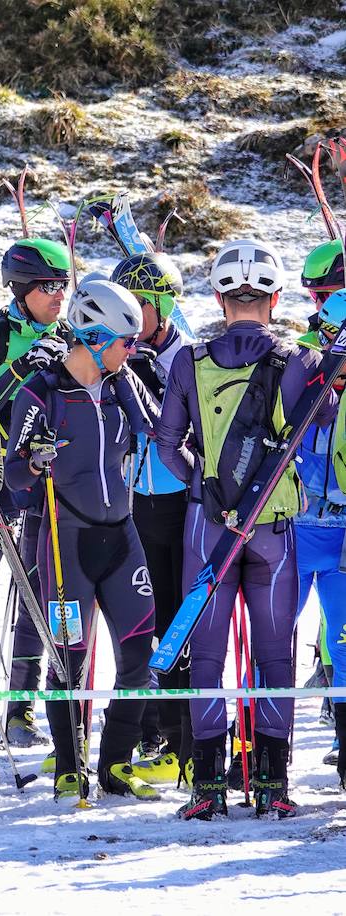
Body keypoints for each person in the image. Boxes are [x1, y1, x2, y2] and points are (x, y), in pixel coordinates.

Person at [157, 239, 336, 820]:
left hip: (207, 527)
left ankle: (207, 787)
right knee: (274, 656)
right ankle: (271, 784)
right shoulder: (304, 361)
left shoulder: (189, 359)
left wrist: (204, 490)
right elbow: (324, 420)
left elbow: (167, 445)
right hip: (275, 525)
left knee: (206, 654)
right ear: (275, 297)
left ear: (218, 296)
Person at [5, 279, 160, 803]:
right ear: (94, 337)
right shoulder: (41, 391)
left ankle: (116, 764)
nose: (132, 351)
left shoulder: (123, 384)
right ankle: (70, 767)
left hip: (121, 536)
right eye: (126, 342)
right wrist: (34, 460)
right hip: (62, 541)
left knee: (140, 653)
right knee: (68, 658)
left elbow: (162, 432)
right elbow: (13, 478)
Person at [0, 237, 71, 748]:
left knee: (37, 596)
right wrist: (23, 368)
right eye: (49, 286)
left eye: (63, 285)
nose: (59, 295)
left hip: (48, 481)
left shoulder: (72, 332)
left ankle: (20, 709)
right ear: (21, 289)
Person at [112, 252, 193, 787]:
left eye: (136, 306)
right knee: (136, 622)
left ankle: (184, 741)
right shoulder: (121, 351)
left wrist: (150, 381)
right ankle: (146, 730)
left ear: (160, 306)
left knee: (173, 620)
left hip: (178, 502)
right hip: (130, 500)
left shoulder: (185, 354)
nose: (127, 317)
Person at [301, 289, 346, 785]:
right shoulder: (302, 378)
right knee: (273, 644)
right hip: (293, 532)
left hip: (343, 539)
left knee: (343, 641)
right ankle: (254, 752)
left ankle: (343, 740)